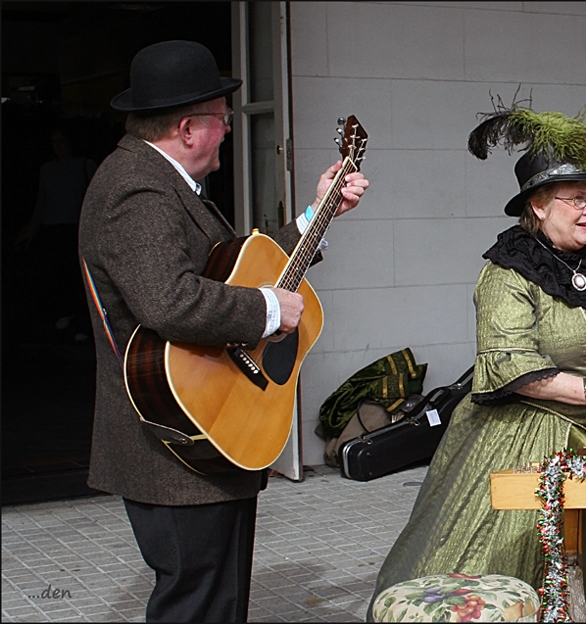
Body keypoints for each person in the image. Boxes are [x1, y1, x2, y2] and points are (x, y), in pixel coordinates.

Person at [369, 106, 586, 622]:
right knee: (520, 558)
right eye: (576, 199)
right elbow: (508, 363)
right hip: (527, 434)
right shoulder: (508, 273)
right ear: (539, 206)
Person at [77, 40, 368, 623]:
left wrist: (319, 213)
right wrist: (268, 311)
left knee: (218, 598)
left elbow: (233, 269)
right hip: (172, 441)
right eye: (221, 117)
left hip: (204, 433)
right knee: (197, 603)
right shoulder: (137, 189)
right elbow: (170, 300)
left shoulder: (164, 180)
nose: (230, 127)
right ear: (188, 128)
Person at [17, 127, 97, 341]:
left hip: (76, 227)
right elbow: (42, 201)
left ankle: (83, 321)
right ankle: (66, 314)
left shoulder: (83, 165)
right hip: (52, 227)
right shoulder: (47, 169)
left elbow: (93, 201)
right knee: (57, 275)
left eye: (62, 142)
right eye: (55, 143)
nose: (59, 147)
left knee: (78, 276)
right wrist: (32, 230)